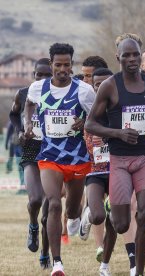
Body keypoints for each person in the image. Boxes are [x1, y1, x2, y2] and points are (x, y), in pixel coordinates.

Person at [85, 34, 145, 276]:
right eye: (126, 55)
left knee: (144, 213)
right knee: (121, 223)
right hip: (119, 160)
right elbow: (90, 124)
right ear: (118, 57)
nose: (131, 59)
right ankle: (110, 224)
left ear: (141, 57)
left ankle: (138, 271)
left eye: (135, 54)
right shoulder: (110, 85)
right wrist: (118, 133)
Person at [24, 43, 96, 276]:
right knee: (53, 204)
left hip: (76, 158)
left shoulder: (84, 90)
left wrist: (85, 122)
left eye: (67, 64)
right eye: (58, 64)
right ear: (51, 64)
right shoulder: (38, 87)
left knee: (72, 211)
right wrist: (27, 124)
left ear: (72, 65)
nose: (62, 69)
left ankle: (76, 218)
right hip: (49, 156)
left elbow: (97, 116)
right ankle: (57, 263)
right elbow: (29, 104)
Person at [9, 57, 52, 269]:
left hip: (53, 151)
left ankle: (45, 254)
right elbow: (13, 114)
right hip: (31, 150)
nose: (43, 78)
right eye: (39, 75)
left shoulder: (61, 94)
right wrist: (19, 131)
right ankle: (33, 225)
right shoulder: (23, 93)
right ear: (33, 75)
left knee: (49, 210)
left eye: (47, 75)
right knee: (35, 200)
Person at [78, 67, 117, 275]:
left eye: (105, 83)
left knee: (116, 221)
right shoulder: (88, 113)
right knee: (99, 216)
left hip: (118, 171)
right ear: (92, 88)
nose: (101, 87)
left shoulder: (119, 111)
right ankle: (88, 215)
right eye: (96, 84)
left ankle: (105, 266)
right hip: (94, 172)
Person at [79, 55, 109, 263]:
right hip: (90, 160)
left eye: (89, 77)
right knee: (96, 205)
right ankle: (100, 246)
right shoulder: (79, 95)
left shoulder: (113, 95)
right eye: (84, 76)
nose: (85, 81)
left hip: (117, 161)